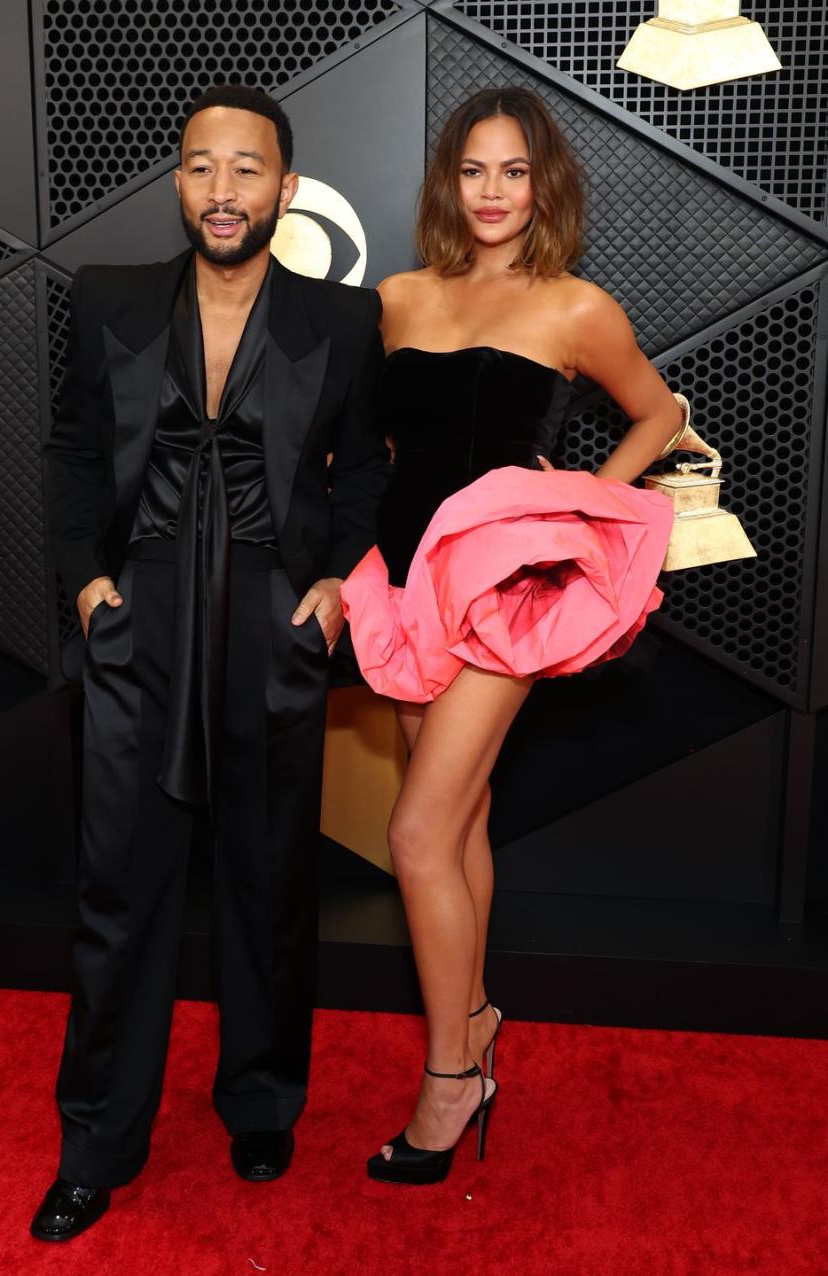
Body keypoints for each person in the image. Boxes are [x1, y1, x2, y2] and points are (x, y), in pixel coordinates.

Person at [32, 84, 389, 1240]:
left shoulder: (341, 319)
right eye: (201, 167)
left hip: (273, 625)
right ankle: (98, 1139)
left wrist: (335, 586)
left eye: (248, 169)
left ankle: (261, 1098)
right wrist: (88, 586)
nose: (223, 190)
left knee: (270, 879)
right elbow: (74, 450)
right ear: (177, 182)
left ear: (287, 189)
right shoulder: (106, 299)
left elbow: (363, 474)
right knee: (118, 890)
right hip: (139, 620)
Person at [341, 87, 680, 1185]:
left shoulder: (578, 306)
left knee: (417, 834)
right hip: (401, 575)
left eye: (515, 172)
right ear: (449, 183)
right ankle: (477, 1017)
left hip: (504, 592)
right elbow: (383, 436)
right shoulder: (395, 296)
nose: (492, 192)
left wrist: (582, 493)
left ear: (546, 186)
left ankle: (450, 1079)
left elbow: (660, 412)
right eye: (475, 171)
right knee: (465, 815)